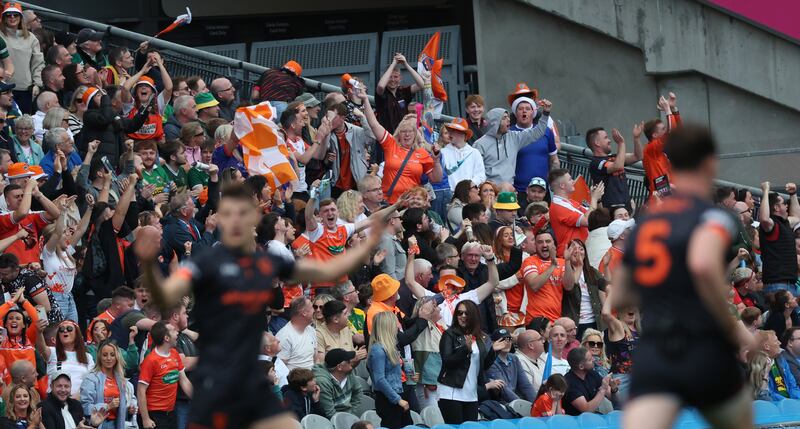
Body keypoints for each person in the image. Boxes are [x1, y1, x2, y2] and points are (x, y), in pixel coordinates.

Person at [135, 180, 391, 429]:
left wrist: (371, 239)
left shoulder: (266, 263)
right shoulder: (206, 262)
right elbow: (166, 295)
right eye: (228, 213)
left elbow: (331, 268)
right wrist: (148, 262)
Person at [617, 126, 759, 429]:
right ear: (710, 163)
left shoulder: (646, 224)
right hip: (701, 347)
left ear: (670, 164)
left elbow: (620, 296)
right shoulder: (714, 216)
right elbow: (703, 266)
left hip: (655, 352)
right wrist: (735, 329)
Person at [357, 89, 443, 203]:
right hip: (390, 203)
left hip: (412, 204)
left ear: (415, 134)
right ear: (398, 133)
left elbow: (436, 179)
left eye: (410, 131)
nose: (407, 135)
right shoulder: (391, 144)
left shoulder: (422, 153)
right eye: (403, 131)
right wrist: (366, 99)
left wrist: (436, 161)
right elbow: (374, 124)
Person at [437, 300, 506, 425]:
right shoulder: (449, 334)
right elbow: (447, 361)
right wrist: (464, 350)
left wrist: (493, 352)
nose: (462, 316)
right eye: (459, 313)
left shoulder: (480, 337)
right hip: (451, 392)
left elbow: (482, 366)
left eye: (466, 313)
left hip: (471, 393)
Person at [405, 238, 499, 327]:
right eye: (444, 279)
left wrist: (490, 259)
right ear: (439, 281)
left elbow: (493, 283)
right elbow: (410, 282)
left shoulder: (467, 298)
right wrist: (412, 252)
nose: (448, 283)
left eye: (451, 279)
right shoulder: (431, 298)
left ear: (458, 280)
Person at [473, 102, 552, 185]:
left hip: (509, 190)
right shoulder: (479, 144)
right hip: (490, 191)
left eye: (508, 117)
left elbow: (538, 132)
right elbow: (475, 172)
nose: (509, 120)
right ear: (495, 122)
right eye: (504, 118)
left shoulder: (514, 137)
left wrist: (545, 114)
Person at [138, 321, 192, 429]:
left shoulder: (174, 353)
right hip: (153, 414)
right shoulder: (151, 360)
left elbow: (184, 380)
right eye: (173, 330)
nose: (177, 332)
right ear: (166, 338)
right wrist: (146, 419)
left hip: (171, 412)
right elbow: (140, 390)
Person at [508, 95, 559, 207]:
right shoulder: (508, 134)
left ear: (533, 112)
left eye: (528, 108)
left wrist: (555, 184)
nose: (524, 111)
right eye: (520, 109)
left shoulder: (546, 132)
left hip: (542, 191)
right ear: (515, 113)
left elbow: (554, 160)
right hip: (518, 191)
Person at [518, 230, 576, 323]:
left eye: (548, 241)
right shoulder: (529, 261)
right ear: (535, 245)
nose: (544, 245)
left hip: (556, 319)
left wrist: (567, 261)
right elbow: (534, 285)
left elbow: (569, 286)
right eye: (540, 242)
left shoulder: (562, 262)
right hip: (536, 319)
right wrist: (552, 265)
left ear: (554, 244)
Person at [369, 311, 412, 429]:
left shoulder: (391, 347)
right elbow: (380, 380)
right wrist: (398, 400)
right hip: (389, 399)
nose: (398, 326)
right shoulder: (378, 349)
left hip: (397, 393)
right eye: (395, 322)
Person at [80, 340, 136, 429]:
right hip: (99, 425)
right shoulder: (90, 378)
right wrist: (107, 406)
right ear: (99, 357)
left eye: (112, 355)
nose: (109, 358)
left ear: (117, 357)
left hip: (118, 424)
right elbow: (85, 406)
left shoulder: (121, 379)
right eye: (105, 355)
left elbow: (131, 398)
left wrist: (131, 409)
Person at [548, 168, 604, 257]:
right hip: (570, 256)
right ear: (562, 185)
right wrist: (593, 198)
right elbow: (588, 220)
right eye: (570, 179)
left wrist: (598, 200)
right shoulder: (558, 207)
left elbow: (596, 217)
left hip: (580, 253)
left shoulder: (571, 202)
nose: (573, 181)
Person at [0, 3, 43, 115]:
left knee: (23, 123)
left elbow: (38, 63)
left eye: (16, 14)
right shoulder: (0, 36)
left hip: (25, 90)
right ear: (4, 18)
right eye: (8, 15)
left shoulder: (31, 38)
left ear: (21, 18)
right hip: (3, 88)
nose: (12, 17)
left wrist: (37, 84)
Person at [587, 125, 642, 210]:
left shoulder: (614, 158)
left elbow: (637, 156)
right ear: (597, 143)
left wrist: (636, 138)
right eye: (606, 138)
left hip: (626, 208)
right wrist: (621, 143)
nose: (609, 140)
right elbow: (618, 166)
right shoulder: (595, 163)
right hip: (612, 212)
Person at [759, 181, 800, 295]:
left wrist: (793, 194)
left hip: (790, 284)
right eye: (783, 203)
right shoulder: (771, 225)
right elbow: (764, 219)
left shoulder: (785, 223)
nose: (787, 206)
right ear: (776, 207)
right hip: (776, 285)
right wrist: (766, 191)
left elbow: (797, 217)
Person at [561, 239, 606, 337]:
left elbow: (606, 286)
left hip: (595, 322)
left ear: (585, 253)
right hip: (574, 324)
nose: (577, 251)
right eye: (573, 248)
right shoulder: (563, 270)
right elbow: (569, 287)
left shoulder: (592, 272)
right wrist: (574, 263)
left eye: (581, 249)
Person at [641, 93, 681, 198]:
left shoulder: (661, 149)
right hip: (661, 198)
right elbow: (671, 131)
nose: (666, 130)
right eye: (663, 129)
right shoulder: (650, 148)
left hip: (669, 195)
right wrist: (667, 110)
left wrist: (673, 109)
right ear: (654, 135)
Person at [375, 53, 425, 133]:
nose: (393, 80)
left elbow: (421, 85)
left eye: (396, 77)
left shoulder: (402, 92)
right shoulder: (382, 93)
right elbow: (380, 86)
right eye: (390, 77)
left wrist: (405, 64)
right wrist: (394, 63)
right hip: (386, 138)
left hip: (402, 137)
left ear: (400, 78)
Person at [45, 320, 94, 397]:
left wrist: (76, 398)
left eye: (69, 328)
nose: (65, 331)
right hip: (56, 403)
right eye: (61, 329)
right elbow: (41, 347)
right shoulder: (52, 352)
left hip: (80, 402)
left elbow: (91, 382)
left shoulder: (87, 357)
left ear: (77, 334)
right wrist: (38, 332)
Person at [486, 327, 535, 402]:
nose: (507, 342)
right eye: (502, 340)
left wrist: (536, 404)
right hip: (501, 403)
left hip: (516, 401)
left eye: (509, 339)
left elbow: (525, 385)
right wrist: (522, 405)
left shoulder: (514, 358)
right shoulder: (491, 361)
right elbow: (504, 390)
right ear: (493, 343)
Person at [312, 348, 362, 419]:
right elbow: (329, 413)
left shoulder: (349, 372)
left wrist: (352, 416)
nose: (351, 362)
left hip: (350, 417)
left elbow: (358, 392)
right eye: (348, 361)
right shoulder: (323, 382)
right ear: (339, 367)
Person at [563, 347, 614, 415]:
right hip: (575, 422)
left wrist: (614, 389)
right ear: (581, 366)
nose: (593, 359)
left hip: (592, 418)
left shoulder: (591, 373)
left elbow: (612, 397)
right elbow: (586, 410)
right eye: (590, 359)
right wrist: (603, 390)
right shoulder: (569, 383)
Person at [276, 297, 318, 371]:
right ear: (304, 313)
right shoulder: (284, 336)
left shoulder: (311, 330)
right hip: (295, 381)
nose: (315, 310)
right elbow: (279, 368)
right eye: (312, 307)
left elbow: (315, 360)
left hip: (313, 379)